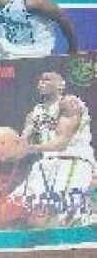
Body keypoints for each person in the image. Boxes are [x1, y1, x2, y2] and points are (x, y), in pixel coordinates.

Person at [10, 72, 95, 227]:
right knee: (13, 207)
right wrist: (10, 148)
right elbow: (22, 142)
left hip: (73, 160)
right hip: (45, 164)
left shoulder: (70, 103)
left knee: (65, 218)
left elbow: (61, 143)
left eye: (47, 79)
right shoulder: (35, 113)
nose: (41, 82)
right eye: (40, 80)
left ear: (61, 85)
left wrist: (30, 148)